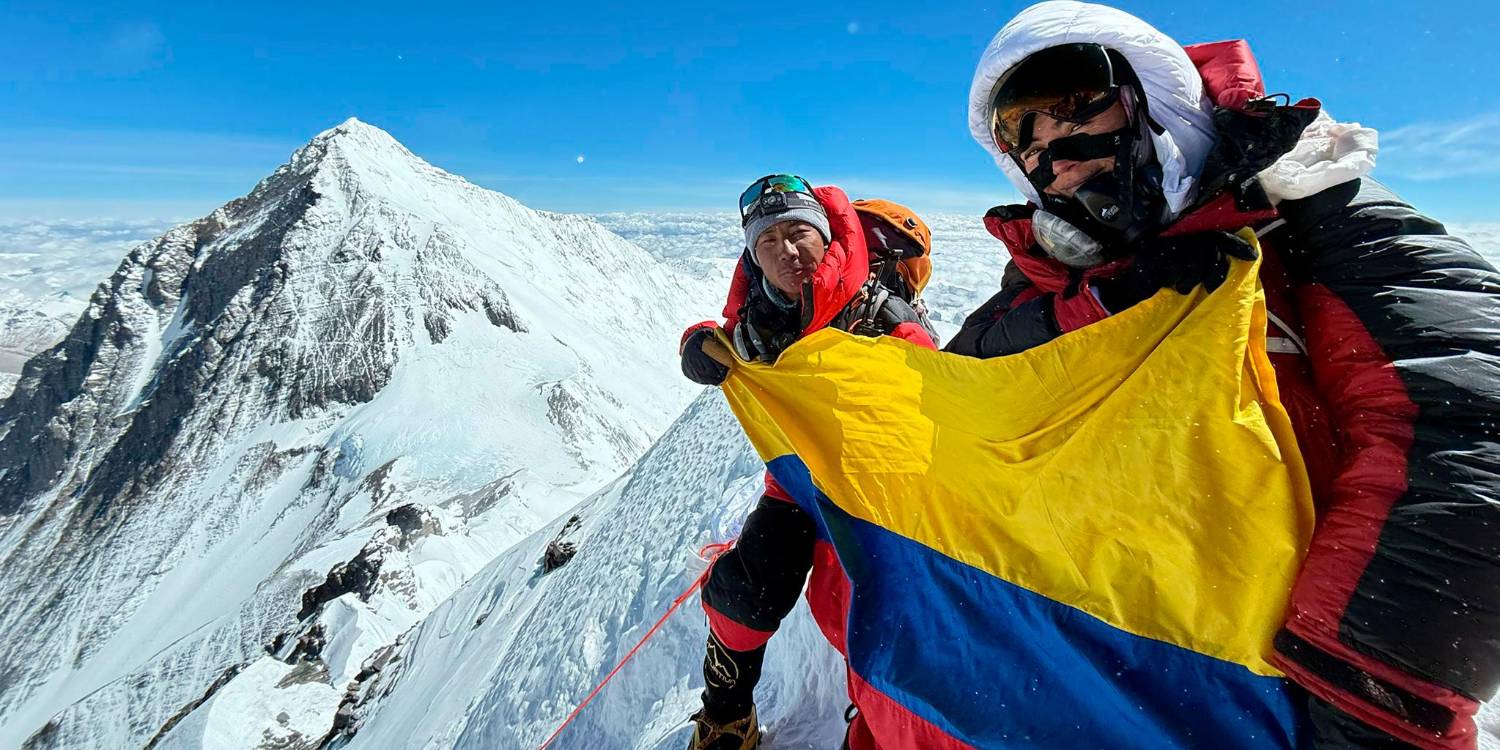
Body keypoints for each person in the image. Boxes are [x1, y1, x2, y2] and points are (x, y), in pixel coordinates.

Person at [954, 2, 1500, 748]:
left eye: (1078, 105)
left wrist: (1368, 699)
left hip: (1282, 696)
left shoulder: (1320, 227)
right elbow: (957, 388)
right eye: (1025, 135)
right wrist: (1097, 308)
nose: (1057, 150)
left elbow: (1467, 432)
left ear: (1159, 105)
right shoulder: (1047, 284)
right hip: (1106, 680)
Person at [677, 174, 936, 750]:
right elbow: (722, 336)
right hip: (797, 482)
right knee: (745, 588)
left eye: (799, 234)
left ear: (826, 237)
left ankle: (879, 721)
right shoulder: (759, 317)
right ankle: (725, 716)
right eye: (767, 243)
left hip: (881, 490)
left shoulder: (882, 312)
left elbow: (934, 392)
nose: (786, 253)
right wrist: (696, 343)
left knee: (882, 607)